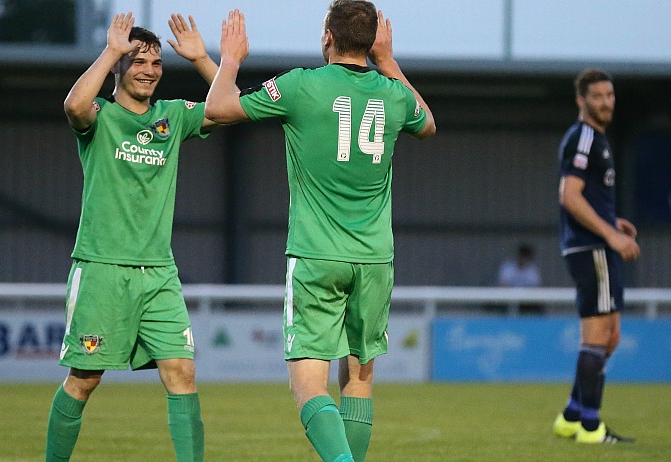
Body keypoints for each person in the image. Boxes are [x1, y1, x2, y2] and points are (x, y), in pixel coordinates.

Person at [205, 2, 435, 461]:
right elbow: (427, 124)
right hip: (374, 259)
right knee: (360, 379)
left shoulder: (301, 85)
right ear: (371, 41)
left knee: (308, 385)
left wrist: (229, 58)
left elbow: (217, 106)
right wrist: (388, 61)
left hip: (316, 255)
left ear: (327, 36)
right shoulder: (392, 95)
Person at [45, 12, 221, 461]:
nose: (149, 69)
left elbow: (231, 106)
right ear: (121, 68)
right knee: (84, 380)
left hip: (159, 272)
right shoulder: (100, 116)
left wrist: (201, 58)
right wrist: (110, 51)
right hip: (102, 268)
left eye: (157, 63)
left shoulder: (173, 117)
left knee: (182, 371)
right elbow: (73, 106)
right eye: (139, 60)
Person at [552, 68, 640, 444]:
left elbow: (585, 196)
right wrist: (609, 235)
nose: (606, 102)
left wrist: (612, 221)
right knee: (599, 334)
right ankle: (591, 427)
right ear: (581, 100)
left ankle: (572, 416)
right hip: (593, 249)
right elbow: (569, 195)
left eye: (610, 95)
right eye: (598, 96)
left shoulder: (594, 139)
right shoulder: (585, 137)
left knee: (610, 336)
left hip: (595, 243)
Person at [496, 243, 543, 314]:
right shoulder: (508, 267)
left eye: (526, 257)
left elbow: (534, 289)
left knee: (539, 307)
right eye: (522, 256)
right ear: (518, 255)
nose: (523, 259)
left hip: (526, 301)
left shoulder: (532, 270)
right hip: (508, 299)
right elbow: (503, 285)